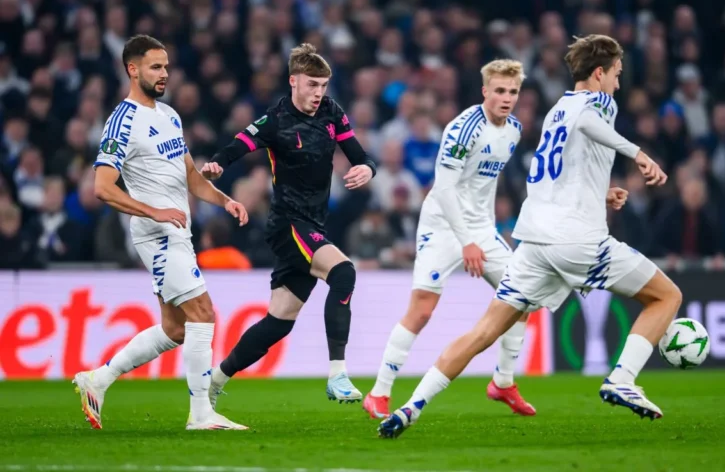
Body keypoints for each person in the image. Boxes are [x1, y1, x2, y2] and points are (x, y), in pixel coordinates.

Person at [378, 34, 682, 439]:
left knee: (485, 331)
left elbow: (553, 171)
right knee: (667, 297)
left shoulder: (557, 109)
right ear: (598, 73)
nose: (618, 84)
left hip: (533, 242)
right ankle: (622, 378)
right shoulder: (598, 102)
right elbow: (591, 121)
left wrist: (600, 193)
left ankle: (410, 408)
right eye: (616, 75)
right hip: (577, 241)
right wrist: (639, 154)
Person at [73, 35, 250, 430]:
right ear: (132, 69)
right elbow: (103, 187)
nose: (164, 74)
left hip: (178, 231)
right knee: (204, 313)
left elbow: (189, 174)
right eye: (155, 67)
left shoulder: (169, 114)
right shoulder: (122, 120)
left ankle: (97, 380)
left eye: (166, 66)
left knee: (175, 328)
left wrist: (225, 201)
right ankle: (201, 413)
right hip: (156, 235)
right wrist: (154, 210)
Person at [201, 43, 376, 405]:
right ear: (293, 81)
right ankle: (338, 375)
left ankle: (213, 382)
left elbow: (358, 154)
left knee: (278, 322)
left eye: (324, 85)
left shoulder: (331, 113)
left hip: (313, 226)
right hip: (287, 225)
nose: (318, 93)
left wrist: (367, 168)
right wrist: (218, 163)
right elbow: (239, 144)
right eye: (312, 84)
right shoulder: (276, 120)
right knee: (343, 273)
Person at [364, 59, 536, 420]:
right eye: (500, 91)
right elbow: (443, 188)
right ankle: (379, 392)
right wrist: (465, 241)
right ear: (485, 91)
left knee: (522, 295)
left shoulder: (514, 131)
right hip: (442, 224)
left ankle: (503, 382)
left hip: (481, 228)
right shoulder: (464, 128)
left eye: (513, 92)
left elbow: (487, 185)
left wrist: (483, 232)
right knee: (423, 309)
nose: (507, 98)